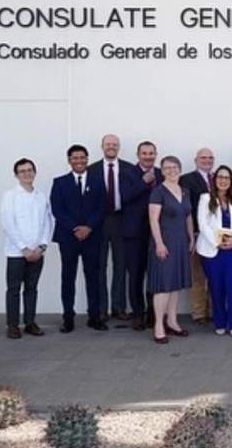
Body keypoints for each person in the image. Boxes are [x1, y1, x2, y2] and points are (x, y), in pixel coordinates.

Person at [50, 144, 107, 333]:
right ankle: (68, 317)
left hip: (92, 236)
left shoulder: (98, 181)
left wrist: (88, 227)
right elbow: (57, 209)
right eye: (75, 158)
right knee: (68, 277)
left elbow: (102, 207)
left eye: (82, 157)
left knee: (93, 277)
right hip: (68, 237)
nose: (79, 161)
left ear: (87, 159)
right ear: (69, 160)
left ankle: (94, 316)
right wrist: (75, 228)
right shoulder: (59, 182)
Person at [1, 158, 53, 339]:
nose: (27, 174)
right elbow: (8, 224)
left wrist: (42, 246)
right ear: (16, 175)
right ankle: (13, 325)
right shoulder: (10, 196)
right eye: (22, 171)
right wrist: (24, 248)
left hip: (37, 252)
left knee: (32, 288)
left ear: (35, 172)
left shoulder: (41, 196)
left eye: (30, 170)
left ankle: (30, 322)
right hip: (17, 252)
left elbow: (48, 222)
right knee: (14, 289)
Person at [197, 165, 232, 337]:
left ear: (231, 181)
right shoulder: (205, 198)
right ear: (215, 179)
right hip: (213, 251)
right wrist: (216, 242)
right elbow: (202, 224)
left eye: (227, 178)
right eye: (220, 177)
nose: (223, 180)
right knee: (216, 287)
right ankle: (219, 322)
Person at [87, 134, 135, 322]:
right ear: (102, 146)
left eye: (114, 144)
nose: (111, 147)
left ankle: (118, 307)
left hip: (120, 220)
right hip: (98, 222)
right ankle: (101, 308)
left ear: (119, 147)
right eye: (108, 144)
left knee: (120, 265)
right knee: (99, 266)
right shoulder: (91, 170)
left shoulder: (130, 169)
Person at [148, 155, 194, 344]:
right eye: (167, 168)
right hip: (165, 243)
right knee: (163, 286)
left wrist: (191, 237)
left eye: (174, 167)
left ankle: (172, 321)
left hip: (181, 242)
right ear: (162, 171)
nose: (171, 170)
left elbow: (188, 216)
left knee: (175, 285)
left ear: (180, 170)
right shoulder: (158, 192)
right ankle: (159, 325)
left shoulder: (184, 191)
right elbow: (153, 220)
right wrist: (159, 243)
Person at [119, 141, 162, 331]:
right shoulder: (127, 173)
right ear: (138, 155)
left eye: (151, 153)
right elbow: (125, 197)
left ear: (156, 154)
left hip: (157, 234)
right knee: (135, 274)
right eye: (144, 153)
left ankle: (154, 313)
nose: (148, 156)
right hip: (134, 232)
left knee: (154, 274)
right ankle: (137, 313)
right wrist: (143, 182)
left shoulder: (162, 173)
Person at [180, 147, 215, 324]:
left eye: (210, 158)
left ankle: (213, 309)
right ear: (196, 160)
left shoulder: (219, 178)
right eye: (203, 157)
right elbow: (186, 209)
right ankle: (199, 312)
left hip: (216, 235)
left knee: (215, 274)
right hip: (196, 233)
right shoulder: (186, 179)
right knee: (197, 275)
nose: (207, 160)